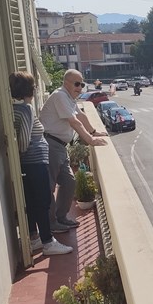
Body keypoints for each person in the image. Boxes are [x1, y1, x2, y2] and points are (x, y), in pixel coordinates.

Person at [10, 72, 73, 256]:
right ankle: (48, 242)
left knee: (32, 202)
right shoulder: (26, 109)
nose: (36, 88)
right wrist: (24, 152)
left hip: (29, 163)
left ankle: (34, 238)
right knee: (43, 201)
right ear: (29, 89)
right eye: (34, 86)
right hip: (35, 162)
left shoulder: (14, 108)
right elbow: (24, 139)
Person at [39, 69, 108, 233]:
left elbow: (81, 116)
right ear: (66, 83)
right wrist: (90, 141)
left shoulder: (69, 98)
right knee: (49, 187)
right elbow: (74, 122)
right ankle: (51, 224)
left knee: (69, 182)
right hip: (51, 144)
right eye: (77, 84)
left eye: (82, 84)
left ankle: (61, 217)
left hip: (60, 146)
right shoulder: (60, 96)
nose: (80, 88)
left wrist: (93, 132)